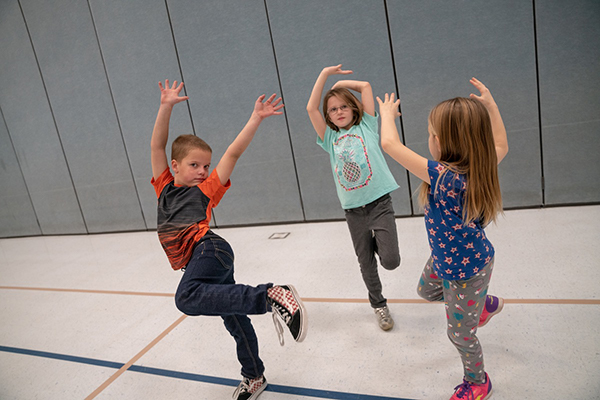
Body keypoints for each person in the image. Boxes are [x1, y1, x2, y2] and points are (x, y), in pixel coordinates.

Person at [150, 79, 307, 400]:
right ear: (175, 166)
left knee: (187, 298)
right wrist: (165, 106)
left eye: (206, 166)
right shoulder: (164, 186)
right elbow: (157, 146)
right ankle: (254, 376)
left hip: (209, 249)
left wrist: (255, 118)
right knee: (234, 318)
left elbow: (233, 152)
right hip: (208, 258)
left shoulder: (204, 190)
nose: (202, 171)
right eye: (194, 165)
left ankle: (271, 296)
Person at [376, 77, 507, 400]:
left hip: (467, 271)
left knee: (460, 334)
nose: (429, 140)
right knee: (426, 289)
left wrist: (387, 117)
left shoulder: (446, 178)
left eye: (431, 135)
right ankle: (482, 307)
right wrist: (491, 106)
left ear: (443, 141)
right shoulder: (479, 164)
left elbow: (390, 145)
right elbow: (502, 145)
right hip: (447, 259)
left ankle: (478, 382)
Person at [307, 65, 401, 331]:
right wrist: (324, 74)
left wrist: (340, 85)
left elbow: (366, 87)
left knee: (391, 261)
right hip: (354, 211)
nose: (338, 112)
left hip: (380, 203)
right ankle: (379, 305)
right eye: (333, 109)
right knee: (366, 263)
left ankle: (376, 241)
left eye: (343, 107)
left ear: (354, 108)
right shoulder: (329, 137)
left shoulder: (367, 125)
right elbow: (310, 108)